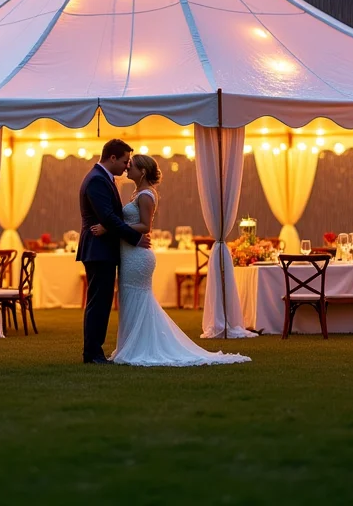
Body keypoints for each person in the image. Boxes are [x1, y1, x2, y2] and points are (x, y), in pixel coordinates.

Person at [89, 153, 250, 367]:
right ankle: (132, 345)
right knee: (129, 299)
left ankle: (141, 347)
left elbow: (146, 226)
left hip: (138, 256)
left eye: (132, 166)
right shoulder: (136, 193)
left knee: (137, 298)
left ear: (142, 171)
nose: (128, 168)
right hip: (129, 254)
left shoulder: (146, 195)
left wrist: (110, 227)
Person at [77, 139, 148, 364]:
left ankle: (94, 352)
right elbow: (107, 216)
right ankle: (92, 354)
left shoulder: (103, 178)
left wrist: (110, 227)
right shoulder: (97, 180)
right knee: (98, 302)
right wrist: (135, 238)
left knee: (102, 302)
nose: (127, 166)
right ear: (113, 158)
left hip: (104, 248)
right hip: (99, 250)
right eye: (125, 161)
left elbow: (108, 218)